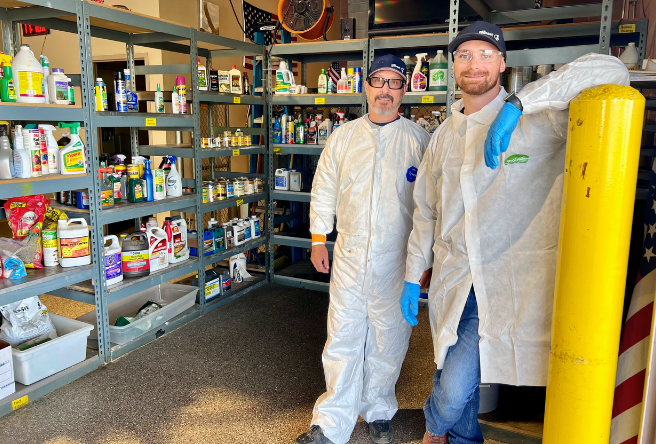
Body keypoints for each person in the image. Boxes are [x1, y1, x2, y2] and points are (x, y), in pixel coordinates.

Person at [399, 21, 630, 444]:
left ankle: (434, 431)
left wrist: (520, 105)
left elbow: (612, 70)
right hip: (454, 281)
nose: (475, 64)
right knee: (458, 381)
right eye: (465, 55)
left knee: (451, 392)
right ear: (453, 66)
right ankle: (466, 441)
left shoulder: (542, 121)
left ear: (503, 63)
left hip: (507, 283)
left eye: (486, 54)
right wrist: (414, 274)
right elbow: (426, 213)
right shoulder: (443, 137)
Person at [296, 55, 431, 444]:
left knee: (390, 338)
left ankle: (378, 409)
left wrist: (424, 260)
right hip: (351, 255)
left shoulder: (418, 140)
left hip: (397, 258)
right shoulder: (344, 137)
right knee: (343, 335)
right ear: (366, 86)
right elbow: (323, 188)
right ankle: (331, 421)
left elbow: (428, 206)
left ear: (404, 89)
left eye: (394, 83)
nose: (385, 90)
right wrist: (319, 237)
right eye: (378, 81)